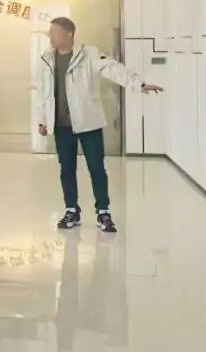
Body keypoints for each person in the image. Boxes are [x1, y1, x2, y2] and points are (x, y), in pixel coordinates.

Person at [37, 17, 163, 233]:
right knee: (66, 169)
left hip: (89, 123)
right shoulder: (47, 59)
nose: (51, 36)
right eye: (50, 32)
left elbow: (114, 69)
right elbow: (44, 92)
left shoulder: (90, 54)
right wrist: (43, 120)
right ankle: (71, 210)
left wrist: (138, 84)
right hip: (61, 125)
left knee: (97, 169)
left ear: (69, 34)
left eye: (55, 32)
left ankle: (103, 212)